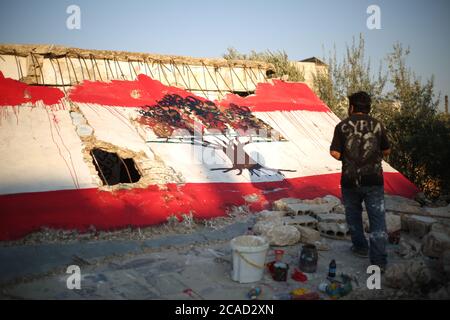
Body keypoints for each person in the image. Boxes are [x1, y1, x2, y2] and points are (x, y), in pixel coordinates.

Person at [329, 91, 391, 271]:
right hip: (374, 180)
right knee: (377, 220)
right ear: (368, 107)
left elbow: (335, 152)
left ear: (352, 107)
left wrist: (347, 157)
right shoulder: (378, 125)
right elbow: (386, 150)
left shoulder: (341, 126)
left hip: (350, 180)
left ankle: (361, 247)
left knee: (353, 215)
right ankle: (379, 261)